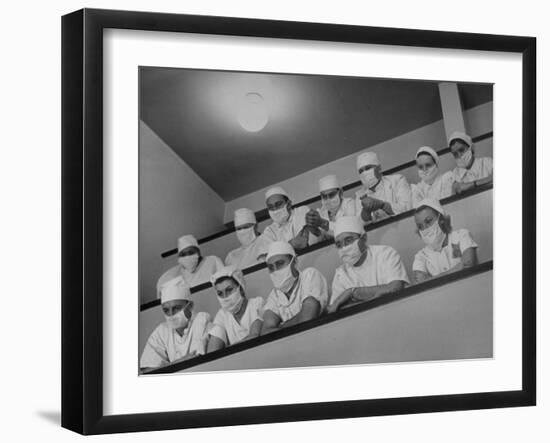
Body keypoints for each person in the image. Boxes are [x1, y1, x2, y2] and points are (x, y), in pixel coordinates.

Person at [327, 216, 409, 313]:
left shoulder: (385, 254)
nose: (344, 248)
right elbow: (336, 310)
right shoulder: (341, 274)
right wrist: (377, 293)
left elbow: (395, 288)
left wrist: (352, 293)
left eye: (348, 240)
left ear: (364, 238)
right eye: (339, 245)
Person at [140, 276, 211, 370]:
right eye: (166, 310)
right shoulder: (161, 331)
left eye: (176, 308)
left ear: (190, 306)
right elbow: (147, 370)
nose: (171, 314)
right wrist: (181, 361)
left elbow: (197, 359)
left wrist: (165, 367)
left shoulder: (201, 320)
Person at [260, 241, 328, 334]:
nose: (275, 270)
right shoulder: (274, 295)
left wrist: (281, 326)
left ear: (295, 261)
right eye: (271, 267)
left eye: (280, 263)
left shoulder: (309, 275)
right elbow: (265, 332)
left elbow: (307, 317)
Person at [412, 198, 478, 283]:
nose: (425, 228)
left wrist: (431, 280)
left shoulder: (461, 235)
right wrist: (458, 268)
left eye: (428, 221)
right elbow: (419, 283)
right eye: (420, 226)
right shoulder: (421, 256)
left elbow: (468, 264)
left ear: (441, 219)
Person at [206, 266, 264, 352]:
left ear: (241, 288)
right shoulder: (222, 315)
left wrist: (226, 350)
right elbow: (212, 352)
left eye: (229, 290)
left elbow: (254, 337)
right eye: (220, 293)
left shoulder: (257, 304)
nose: (225, 297)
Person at [156, 234, 223, 298]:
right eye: (183, 254)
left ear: (198, 253)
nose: (187, 257)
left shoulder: (212, 261)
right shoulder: (174, 275)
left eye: (191, 252)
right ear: (179, 258)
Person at [354, 151, 412, 224]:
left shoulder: (397, 180)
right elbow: (359, 224)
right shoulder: (359, 195)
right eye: (361, 171)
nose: (364, 173)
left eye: (368, 168)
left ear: (379, 168)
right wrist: (366, 211)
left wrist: (382, 205)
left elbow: (407, 208)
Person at [261, 186, 321, 251]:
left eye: (278, 204)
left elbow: (315, 236)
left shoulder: (302, 211)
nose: (275, 210)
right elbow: (271, 253)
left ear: (289, 204)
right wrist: (292, 244)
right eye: (271, 207)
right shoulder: (269, 231)